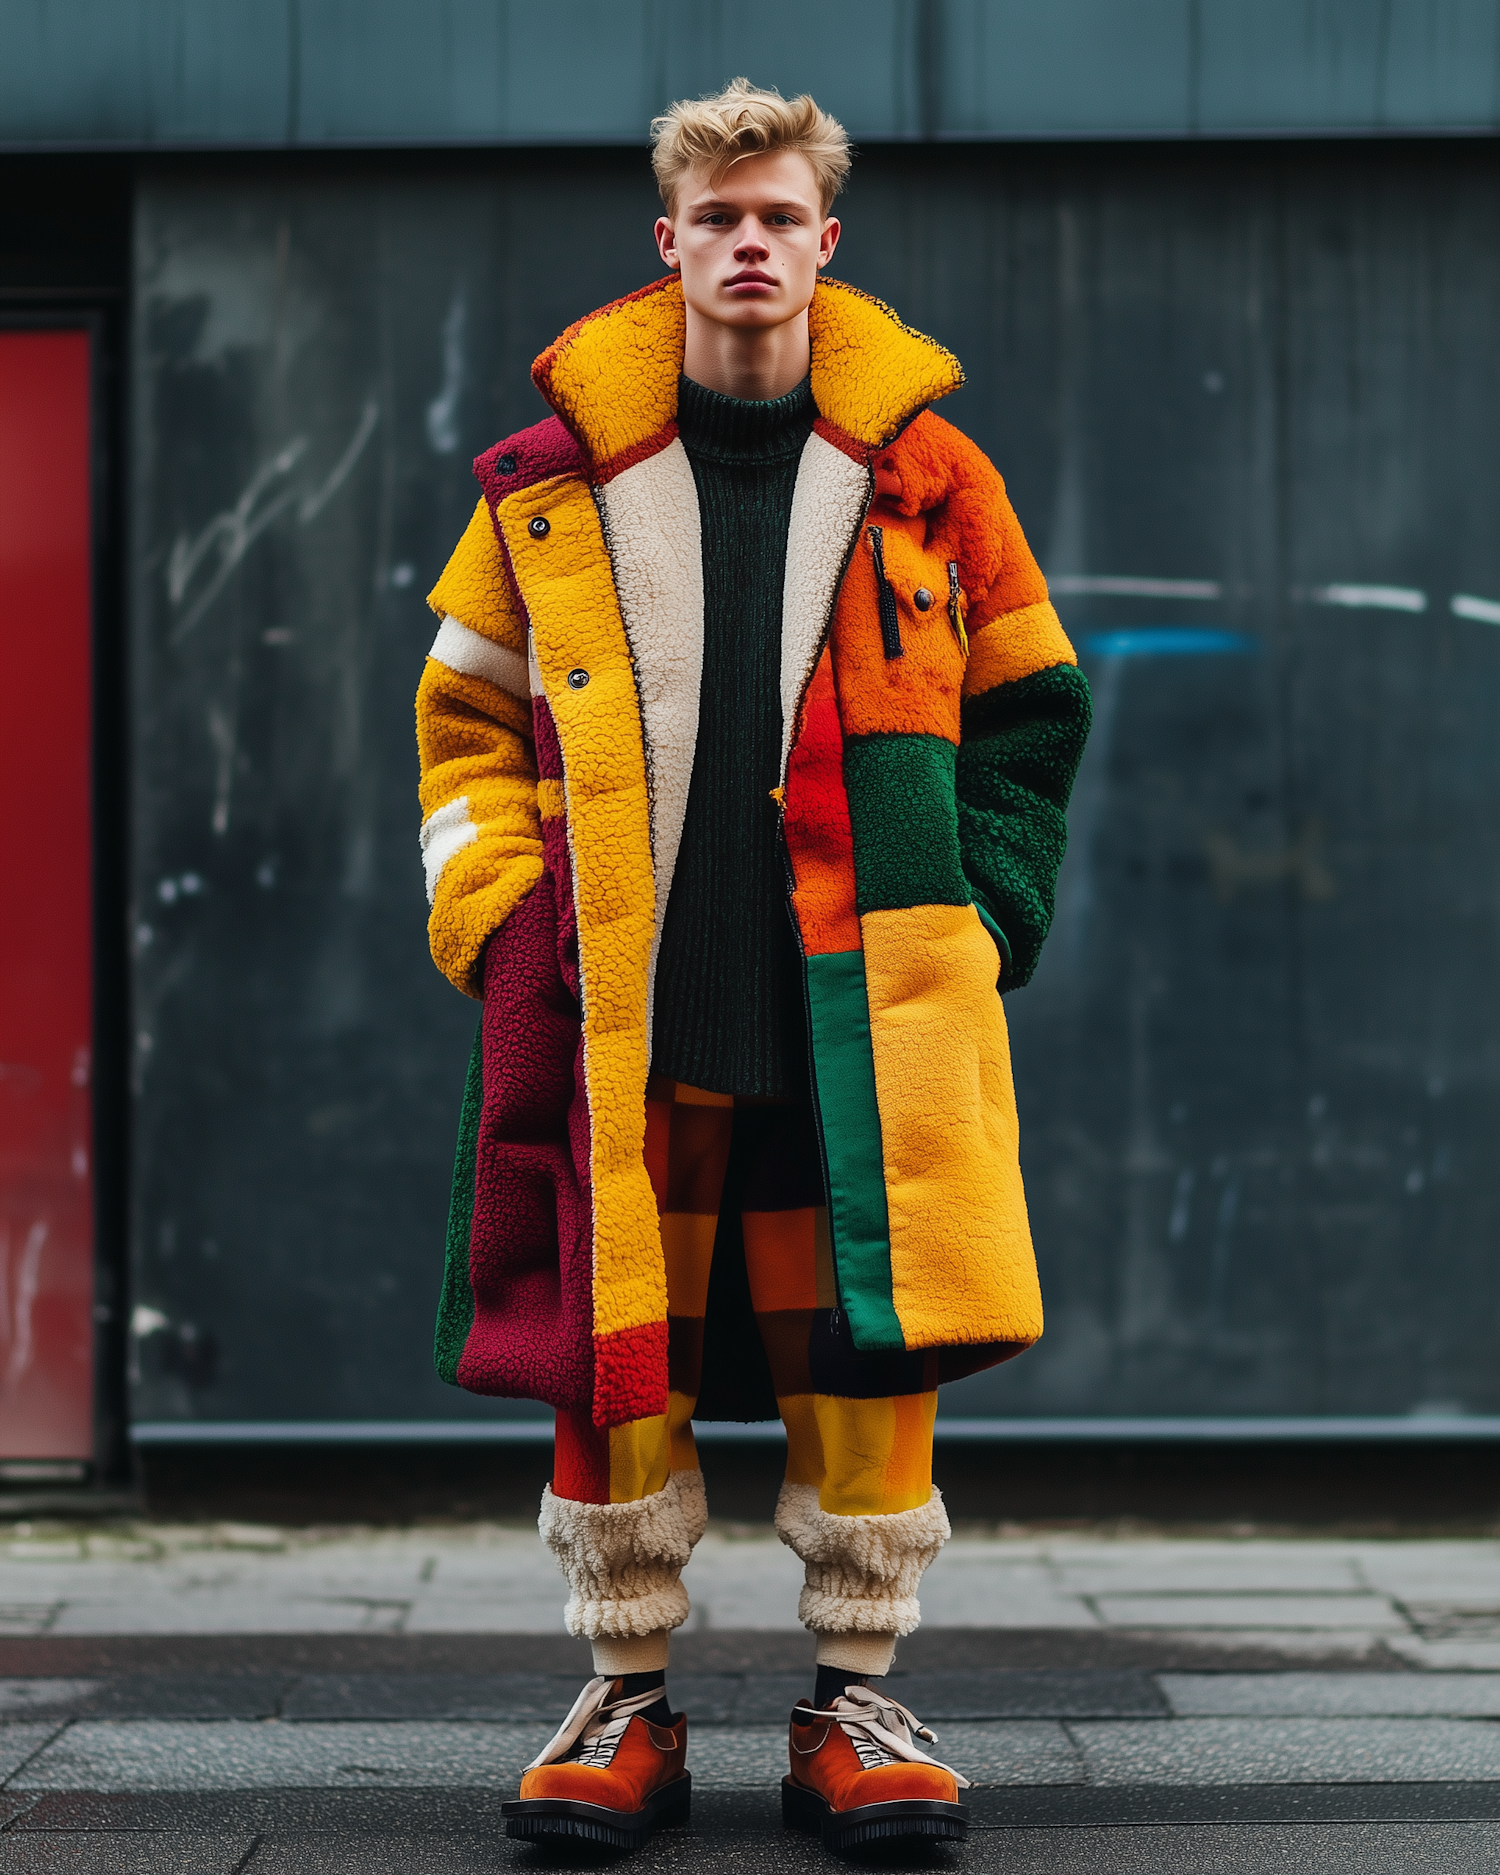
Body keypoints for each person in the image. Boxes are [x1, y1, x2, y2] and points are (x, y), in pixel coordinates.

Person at [414, 77, 1090, 1856]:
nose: (749, 242)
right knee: (616, 1357)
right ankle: (622, 1703)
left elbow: (1035, 712)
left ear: (822, 244)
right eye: (719, 217)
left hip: (860, 1017)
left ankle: (855, 1697)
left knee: (868, 1360)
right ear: (671, 243)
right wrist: (498, 920)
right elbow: (462, 720)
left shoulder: (931, 484)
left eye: (779, 216)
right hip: (626, 1023)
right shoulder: (548, 486)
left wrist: (981, 914)